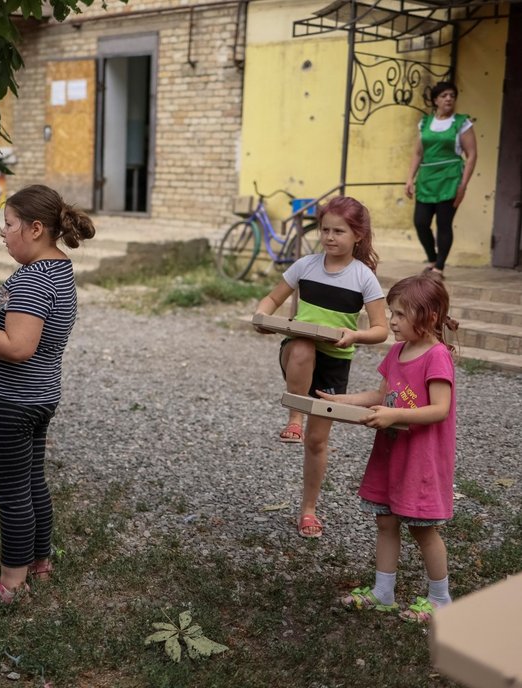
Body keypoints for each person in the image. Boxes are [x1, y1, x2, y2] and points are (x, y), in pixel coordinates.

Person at [0, 184, 95, 611]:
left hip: (12, 400)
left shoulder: (31, 279)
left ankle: (11, 583)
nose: (4, 233)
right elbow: (14, 320)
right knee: (30, 482)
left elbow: (18, 346)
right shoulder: (58, 270)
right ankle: (40, 562)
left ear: (35, 228)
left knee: (11, 490)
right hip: (38, 396)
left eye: (8, 225)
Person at [324, 273, 458, 623]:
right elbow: (381, 395)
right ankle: (383, 593)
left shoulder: (437, 356)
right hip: (392, 452)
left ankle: (440, 599)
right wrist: (342, 400)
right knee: (385, 520)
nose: (392, 322)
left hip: (421, 458)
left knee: (421, 528)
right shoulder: (398, 351)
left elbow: (440, 409)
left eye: (399, 315)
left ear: (427, 317)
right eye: (392, 313)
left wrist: (395, 413)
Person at [254, 196, 388, 539]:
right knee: (302, 343)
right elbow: (271, 299)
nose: (329, 237)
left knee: (317, 442)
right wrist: (261, 316)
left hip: (335, 363)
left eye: (339, 231)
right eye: (325, 230)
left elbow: (380, 329)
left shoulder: (364, 278)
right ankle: (294, 418)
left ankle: (308, 510)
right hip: (297, 354)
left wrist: (354, 334)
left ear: (357, 235)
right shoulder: (305, 265)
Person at [404, 81, 478, 278]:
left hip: (450, 179)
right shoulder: (425, 123)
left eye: (452, 96)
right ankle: (432, 258)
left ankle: (439, 267)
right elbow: (418, 153)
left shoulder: (462, 123)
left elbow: (471, 155)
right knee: (420, 221)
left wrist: (463, 184)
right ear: (435, 100)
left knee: (444, 223)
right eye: (444, 95)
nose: (449, 99)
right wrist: (410, 178)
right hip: (427, 179)